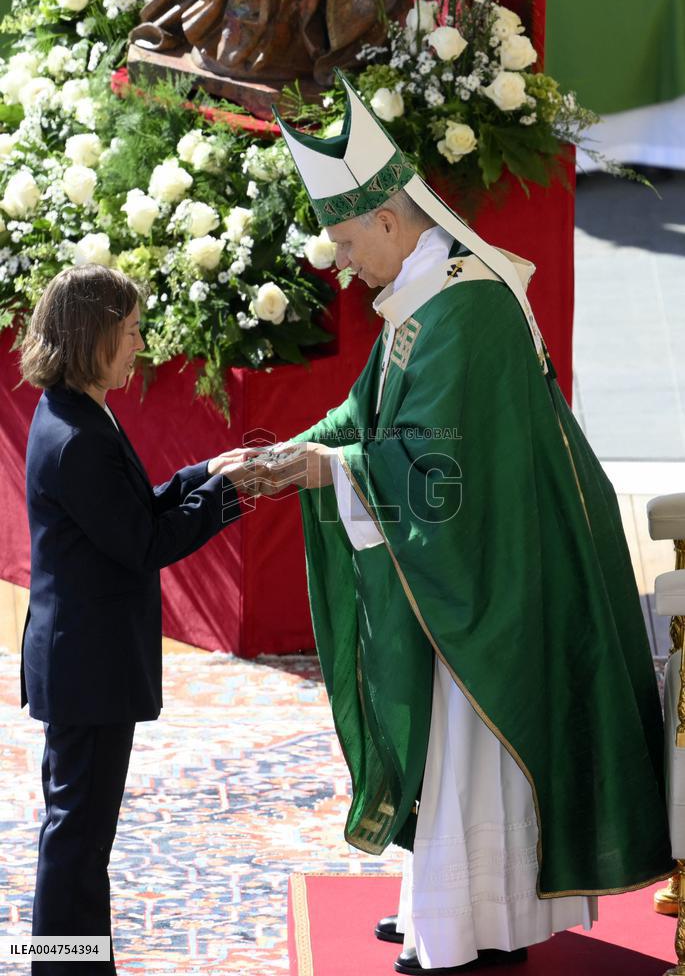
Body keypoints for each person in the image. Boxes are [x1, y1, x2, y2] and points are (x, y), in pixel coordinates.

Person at [253, 71, 674, 974]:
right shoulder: (418, 294)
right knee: (454, 743)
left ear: (391, 220)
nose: (341, 260)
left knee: (476, 730)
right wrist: (287, 449)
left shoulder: (464, 304)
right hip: (483, 554)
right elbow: (371, 416)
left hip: (509, 561)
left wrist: (326, 468)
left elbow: (440, 463)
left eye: (345, 238)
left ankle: (480, 923)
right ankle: (445, 907)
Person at [19, 264, 266, 975]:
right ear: (93, 335)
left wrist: (202, 475)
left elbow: (127, 512)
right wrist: (225, 495)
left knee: (79, 831)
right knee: (76, 837)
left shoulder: (79, 410)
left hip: (82, 657)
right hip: (86, 665)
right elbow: (143, 544)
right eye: (130, 331)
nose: (140, 344)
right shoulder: (78, 435)